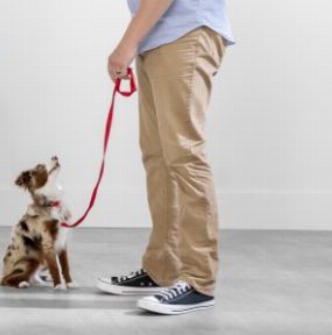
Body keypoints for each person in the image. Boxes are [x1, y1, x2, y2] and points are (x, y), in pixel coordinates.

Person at [96, 0, 234, 315]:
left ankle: (200, 281)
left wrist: (126, 44)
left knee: (185, 157)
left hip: (185, 33)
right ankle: (162, 267)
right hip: (159, 37)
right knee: (159, 158)